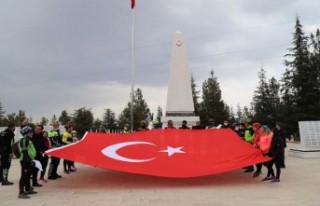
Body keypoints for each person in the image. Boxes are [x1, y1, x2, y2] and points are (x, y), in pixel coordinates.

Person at [18, 126, 37, 199]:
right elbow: (25, 152)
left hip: (29, 160)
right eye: (30, 132)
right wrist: (29, 161)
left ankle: (28, 189)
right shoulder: (24, 140)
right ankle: (21, 192)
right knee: (24, 176)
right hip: (25, 161)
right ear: (26, 133)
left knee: (28, 175)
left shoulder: (28, 140)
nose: (32, 133)